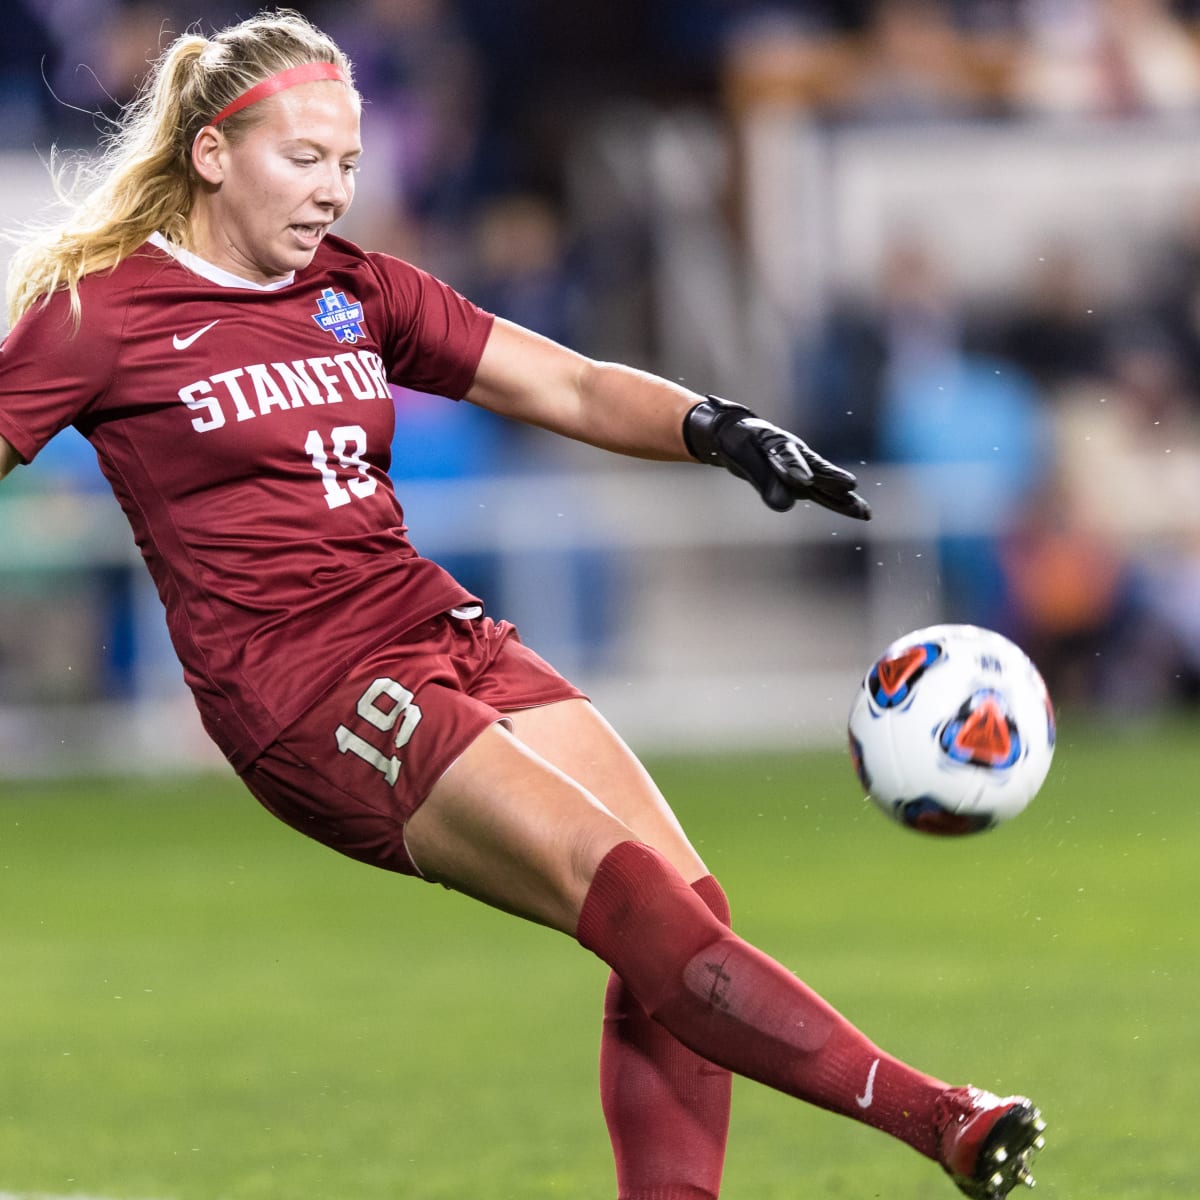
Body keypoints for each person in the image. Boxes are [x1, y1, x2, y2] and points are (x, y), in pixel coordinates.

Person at [0, 11, 1046, 1199]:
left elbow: (566, 380)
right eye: (305, 160)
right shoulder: (103, 314)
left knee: (688, 903)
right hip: (308, 692)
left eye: (348, 162)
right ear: (211, 153)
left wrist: (716, 428)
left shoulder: (355, 288)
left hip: (432, 625)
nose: (334, 191)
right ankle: (939, 1118)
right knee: (640, 907)